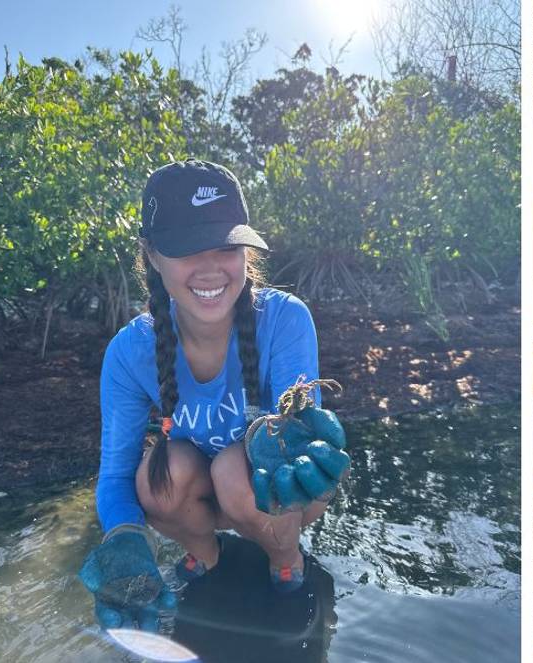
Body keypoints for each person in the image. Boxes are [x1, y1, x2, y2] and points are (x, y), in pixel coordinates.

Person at [78, 160, 350, 631]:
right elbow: (115, 476)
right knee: (156, 477)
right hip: (197, 491)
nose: (210, 268)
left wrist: (306, 450)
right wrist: (122, 540)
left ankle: (285, 558)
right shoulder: (128, 352)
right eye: (186, 249)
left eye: (225, 246)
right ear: (151, 255)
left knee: (233, 468)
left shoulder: (285, 318)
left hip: (272, 492)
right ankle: (206, 554)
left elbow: (300, 434)